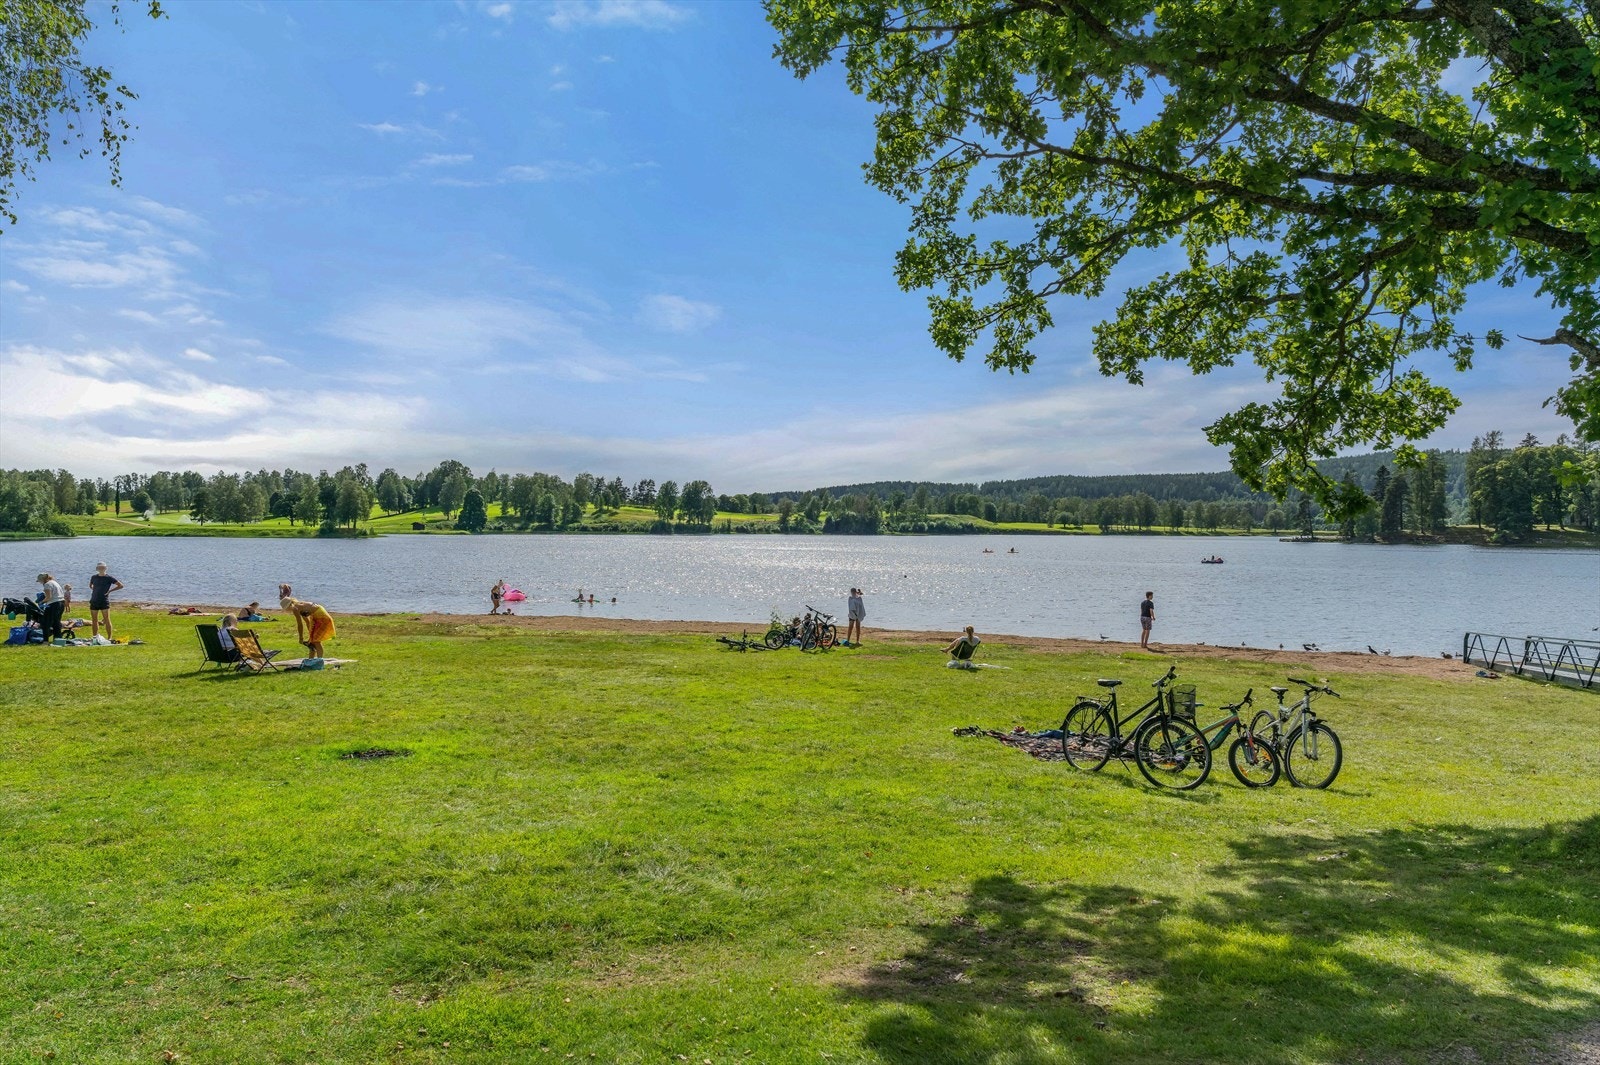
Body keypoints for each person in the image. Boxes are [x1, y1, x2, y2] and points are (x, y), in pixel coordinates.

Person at [281, 593, 336, 658]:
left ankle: (319, 660)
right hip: (317, 616)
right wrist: (311, 635)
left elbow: (300, 624)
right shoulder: (299, 605)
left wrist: (301, 638)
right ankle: (311, 660)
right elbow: (307, 621)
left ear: (289, 606)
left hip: (322, 617)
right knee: (312, 640)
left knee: (316, 641)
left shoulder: (295, 609)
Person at [87, 563, 124, 640]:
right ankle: (95, 637)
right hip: (94, 600)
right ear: (97, 569)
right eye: (100, 568)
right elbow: (90, 585)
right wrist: (95, 591)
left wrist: (110, 591)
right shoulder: (94, 577)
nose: (101, 569)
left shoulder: (109, 578)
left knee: (107, 619)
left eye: (103, 568)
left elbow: (120, 585)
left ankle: (109, 638)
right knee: (94, 620)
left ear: (105, 568)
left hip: (104, 601)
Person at [36, 573, 65, 641]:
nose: (40, 583)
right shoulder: (54, 582)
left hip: (54, 604)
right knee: (56, 622)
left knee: (46, 622)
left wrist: (41, 602)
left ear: (43, 579)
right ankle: (58, 639)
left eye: (40, 581)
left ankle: (45, 641)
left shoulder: (47, 585)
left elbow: (48, 597)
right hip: (61, 603)